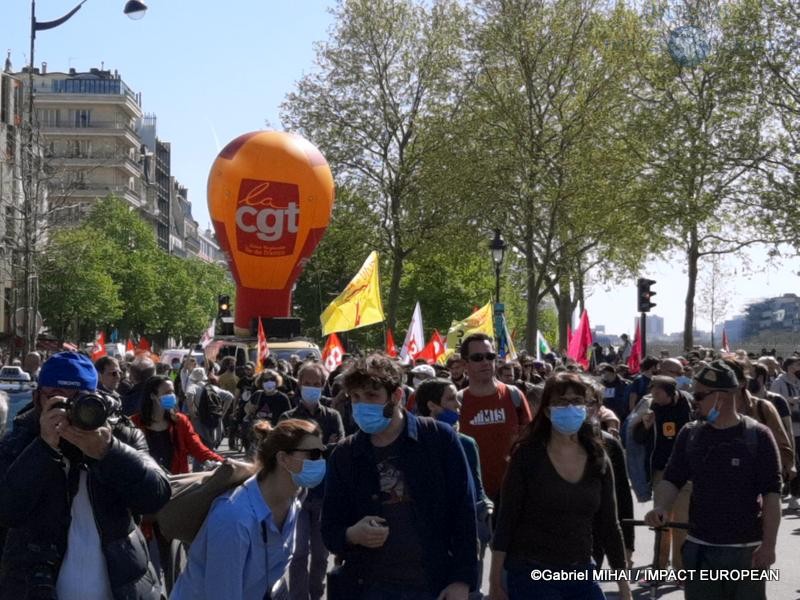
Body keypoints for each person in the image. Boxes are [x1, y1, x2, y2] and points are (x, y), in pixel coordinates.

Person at [0, 351, 170, 599]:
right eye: (57, 400)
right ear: (38, 399)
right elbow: (7, 509)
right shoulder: (19, 441)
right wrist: (43, 448)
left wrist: (108, 452)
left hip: (121, 587)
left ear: (96, 399)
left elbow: (156, 496)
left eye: (79, 400)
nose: (69, 410)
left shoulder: (123, 435)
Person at [322, 354, 477, 600]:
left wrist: (462, 580)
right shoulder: (345, 454)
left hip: (433, 584)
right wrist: (353, 534)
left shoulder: (439, 439)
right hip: (369, 586)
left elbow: (464, 513)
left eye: (372, 396)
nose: (361, 405)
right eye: (355, 397)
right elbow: (330, 528)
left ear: (396, 396)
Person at [645, 360, 782, 600]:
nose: (693, 401)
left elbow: (772, 494)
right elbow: (672, 479)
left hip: (745, 552)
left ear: (722, 396)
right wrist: (661, 507)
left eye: (698, 395)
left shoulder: (758, 436)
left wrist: (769, 544)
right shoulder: (691, 434)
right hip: (700, 549)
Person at [489, 373, 631, 600]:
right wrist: (495, 582)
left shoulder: (598, 457)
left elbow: (609, 526)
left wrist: (624, 589)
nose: (570, 407)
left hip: (581, 572)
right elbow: (506, 519)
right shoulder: (527, 456)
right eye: (561, 402)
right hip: (531, 573)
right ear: (546, 411)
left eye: (577, 401)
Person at [172, 419, 326, 600]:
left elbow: (273, 574)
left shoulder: (294, 498)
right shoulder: (233, 517)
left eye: (323, 453)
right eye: (314, 455)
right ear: (283, 458)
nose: (321, 461)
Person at [415, 377, 493, 599]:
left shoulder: (466, 443)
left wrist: (485, 511)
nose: (458, 406)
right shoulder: (409, 442)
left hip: (464, 535)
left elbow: (476, 489)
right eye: (451, 399)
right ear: (432, 405)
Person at [279, 363, 344, 600]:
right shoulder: (288, 417)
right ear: (299, 384)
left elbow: (338, 451)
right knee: (297, 554)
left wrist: (308, 451)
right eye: (308, 383)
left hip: (324, 495)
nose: (313, 388)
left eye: (317, 384)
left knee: (320, 555)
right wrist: (322, 448)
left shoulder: (333, 416)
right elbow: (284, 452)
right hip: (294, 494)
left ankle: (316, 594)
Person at [458, 333, 532, 509]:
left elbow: (531, 443)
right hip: (472, 498)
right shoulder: (457, 402)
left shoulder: (514, 396)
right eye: (477, 357)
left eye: (490, 356)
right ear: (465, 364)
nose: (485, 362)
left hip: (513, 495)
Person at [632, 375, 693, 571]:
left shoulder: (689, 406)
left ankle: (681, 569)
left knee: (681, 522)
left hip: (685, 473)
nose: (654, 397)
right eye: (652, 392)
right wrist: (644, 426)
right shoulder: (652, 409)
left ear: (671, 392)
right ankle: (658, 567)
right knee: (661, 521)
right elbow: (637, 439)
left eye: (658, 393)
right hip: (661, 471)